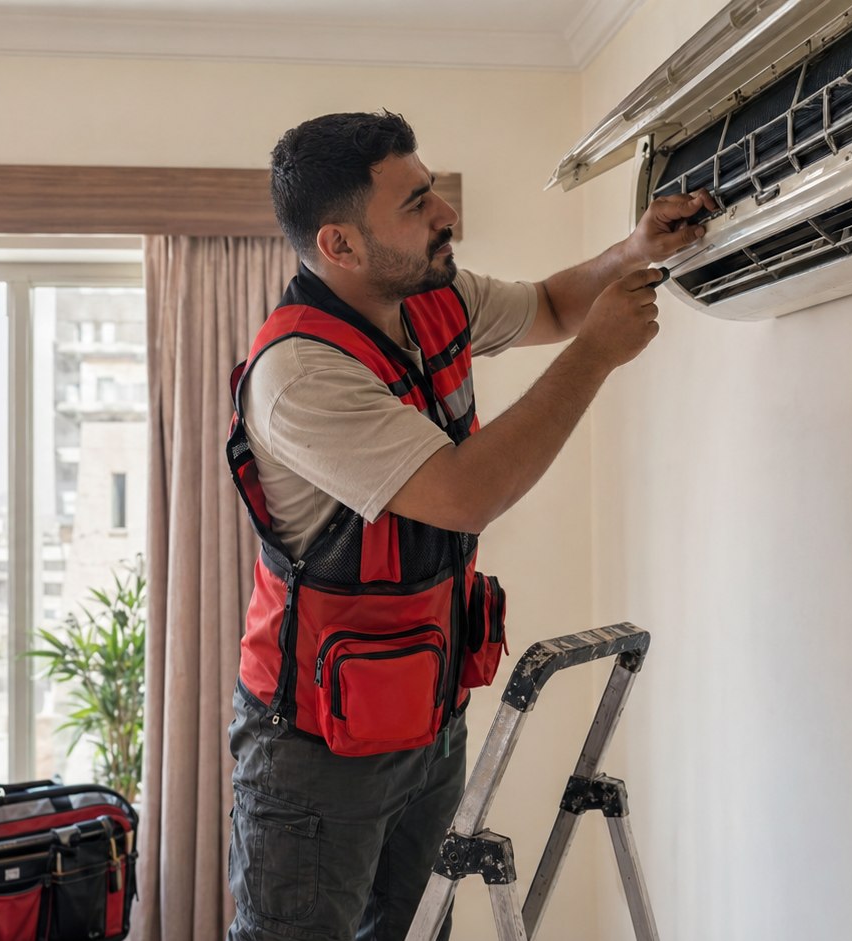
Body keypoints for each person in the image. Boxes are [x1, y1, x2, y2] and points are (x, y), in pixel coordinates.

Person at [224, 110, 716, 941]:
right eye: (416, 203)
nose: (445, 215)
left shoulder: (429, 300)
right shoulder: (299, 374)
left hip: (427, 716)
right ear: (339, 246)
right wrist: (595, 355)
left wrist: (634, 250)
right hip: (315, 751)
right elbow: (463, 493)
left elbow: (556, 305)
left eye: (434, 191)